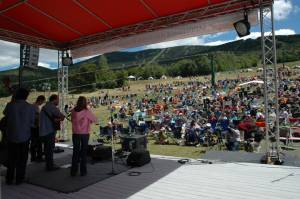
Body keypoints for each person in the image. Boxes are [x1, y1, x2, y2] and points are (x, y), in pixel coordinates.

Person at [3, 88, 35, 185]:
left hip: (11, 136)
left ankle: (9, 178)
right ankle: (19, 179)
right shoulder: (30, 107)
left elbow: (5, 114)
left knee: (11, 158)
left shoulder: (10, 106)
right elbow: (32, 123)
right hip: (25, 136)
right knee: (22, 159)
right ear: (26, 96)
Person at [70, 96, 97, 176]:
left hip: (75, 133)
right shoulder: (86, 111)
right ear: (85, 102)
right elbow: (95, 120)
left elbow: (72, 120)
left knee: (75, 152)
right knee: (83, 152)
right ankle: (83, 171)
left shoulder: (73, 110)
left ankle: (73, 171)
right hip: (84, 134)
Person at [39, 94, 65, 171]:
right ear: (54, 100)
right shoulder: (52, 107)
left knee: (47, 149)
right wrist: (60, 118)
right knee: (50, 149)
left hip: (42, 131)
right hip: (49, 131)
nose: (58, 101)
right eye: (58, 100)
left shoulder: (44, 107)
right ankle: (50, 166)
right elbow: (61, 116)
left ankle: (48, 164)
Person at [30, 95, 46, 162]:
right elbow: (36, 118)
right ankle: (39, 157)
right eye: (42, 101)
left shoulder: (32, 105)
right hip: (35, 127)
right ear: (40, 100)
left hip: (32, 127)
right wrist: (39, 126)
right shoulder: (35, 107)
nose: (42, 103)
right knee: (38, 143)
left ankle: (33, 157)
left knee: (33, 143)